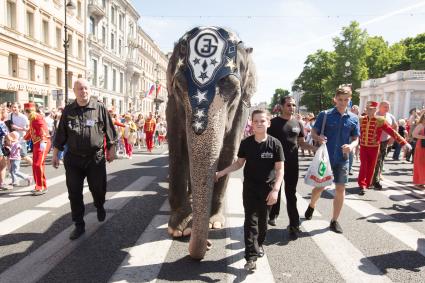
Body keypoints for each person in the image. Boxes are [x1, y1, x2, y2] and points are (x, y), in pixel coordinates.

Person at [215, 109, 284, 272]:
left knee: (263, 221)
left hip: (268, 189)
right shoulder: (246, 143)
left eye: (262, 121)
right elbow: (239, 163)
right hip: (250, 188)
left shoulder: (275, 144)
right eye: (256, 121)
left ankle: (259, 244)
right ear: (251, 124)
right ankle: (251, 257)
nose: (259, 124)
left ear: (268, 123)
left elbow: (280, 170)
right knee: (250, 221)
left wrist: (275, 190)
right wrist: (221, 172)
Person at [52, 78, 117, 240]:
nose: (84, 91)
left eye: (86, 88)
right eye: (80, 89)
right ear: (74, 92)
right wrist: (55, 154)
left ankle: (99, 204)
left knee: (98, 189)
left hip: (95, 158)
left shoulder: (99, 107)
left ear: (90, 90)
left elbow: (110, 130)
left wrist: (112, 148)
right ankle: (79, 225)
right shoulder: (68, 110)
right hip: (73, 160)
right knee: (74, 193)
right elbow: (61, 134)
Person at [304, 85, 359, 234]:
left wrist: (352, 146)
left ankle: (334, 220)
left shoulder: (353, 118)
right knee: (320, 187)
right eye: (340, 99)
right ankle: (312, 205)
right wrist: (318, 137)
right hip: (325, 159)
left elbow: (356, 138)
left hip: (343, 159)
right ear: (335, 99)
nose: (342, 102)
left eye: (346, 100)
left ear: (349, 100)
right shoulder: (325, 114)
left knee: (340, 189)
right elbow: (314, 132)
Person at [267, 96, 316, 238]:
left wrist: (314, 148)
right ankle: (272, 214)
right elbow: (266, 142)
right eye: (289, 105)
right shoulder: (273, 123)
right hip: (275, 164)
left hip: (292, 163)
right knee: (275, 189)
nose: (292, 107)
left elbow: (301, 142)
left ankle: (294, 224)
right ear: (282, 106)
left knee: (291, 193)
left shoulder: (298, 123)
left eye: (293, 105)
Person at [357, 101, 411, 195]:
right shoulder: (361, 119)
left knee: (371, 167)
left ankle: (368, 183)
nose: (369, 111)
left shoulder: (380, 120)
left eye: (371, 109)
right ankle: (362, 185)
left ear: (375, 110)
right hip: (363, 147)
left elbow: (392, 131)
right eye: (368, 109)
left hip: (374, 148)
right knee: (363, 166)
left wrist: (403, 142)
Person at [23, 102, 51, 195]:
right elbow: (31, 131)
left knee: (38, 164)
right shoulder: (32, 118)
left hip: (43, 142)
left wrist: (43, 141)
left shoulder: (37, 117)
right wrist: (23, 139)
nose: (27, 112)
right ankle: (39, 186)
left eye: (28, 111)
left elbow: (42, 128)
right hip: (36, 143)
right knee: (35, 165)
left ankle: (42, 187)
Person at [372, 101, 398, 189]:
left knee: (381, 159)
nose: (387, 108)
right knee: (376, 160)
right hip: (374, 141)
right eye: (385, 107)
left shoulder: (390, 116)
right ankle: (374, 179)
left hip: (385, 141)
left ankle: (377, 176)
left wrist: (392, 138)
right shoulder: (374, 115)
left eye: (388, 107)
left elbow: (395, 126)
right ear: (380, 107)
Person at [412, 111, 425, 187]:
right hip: (421, 146)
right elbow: (414, 134)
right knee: (420, 163)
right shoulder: (420, 125)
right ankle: (420, 181)